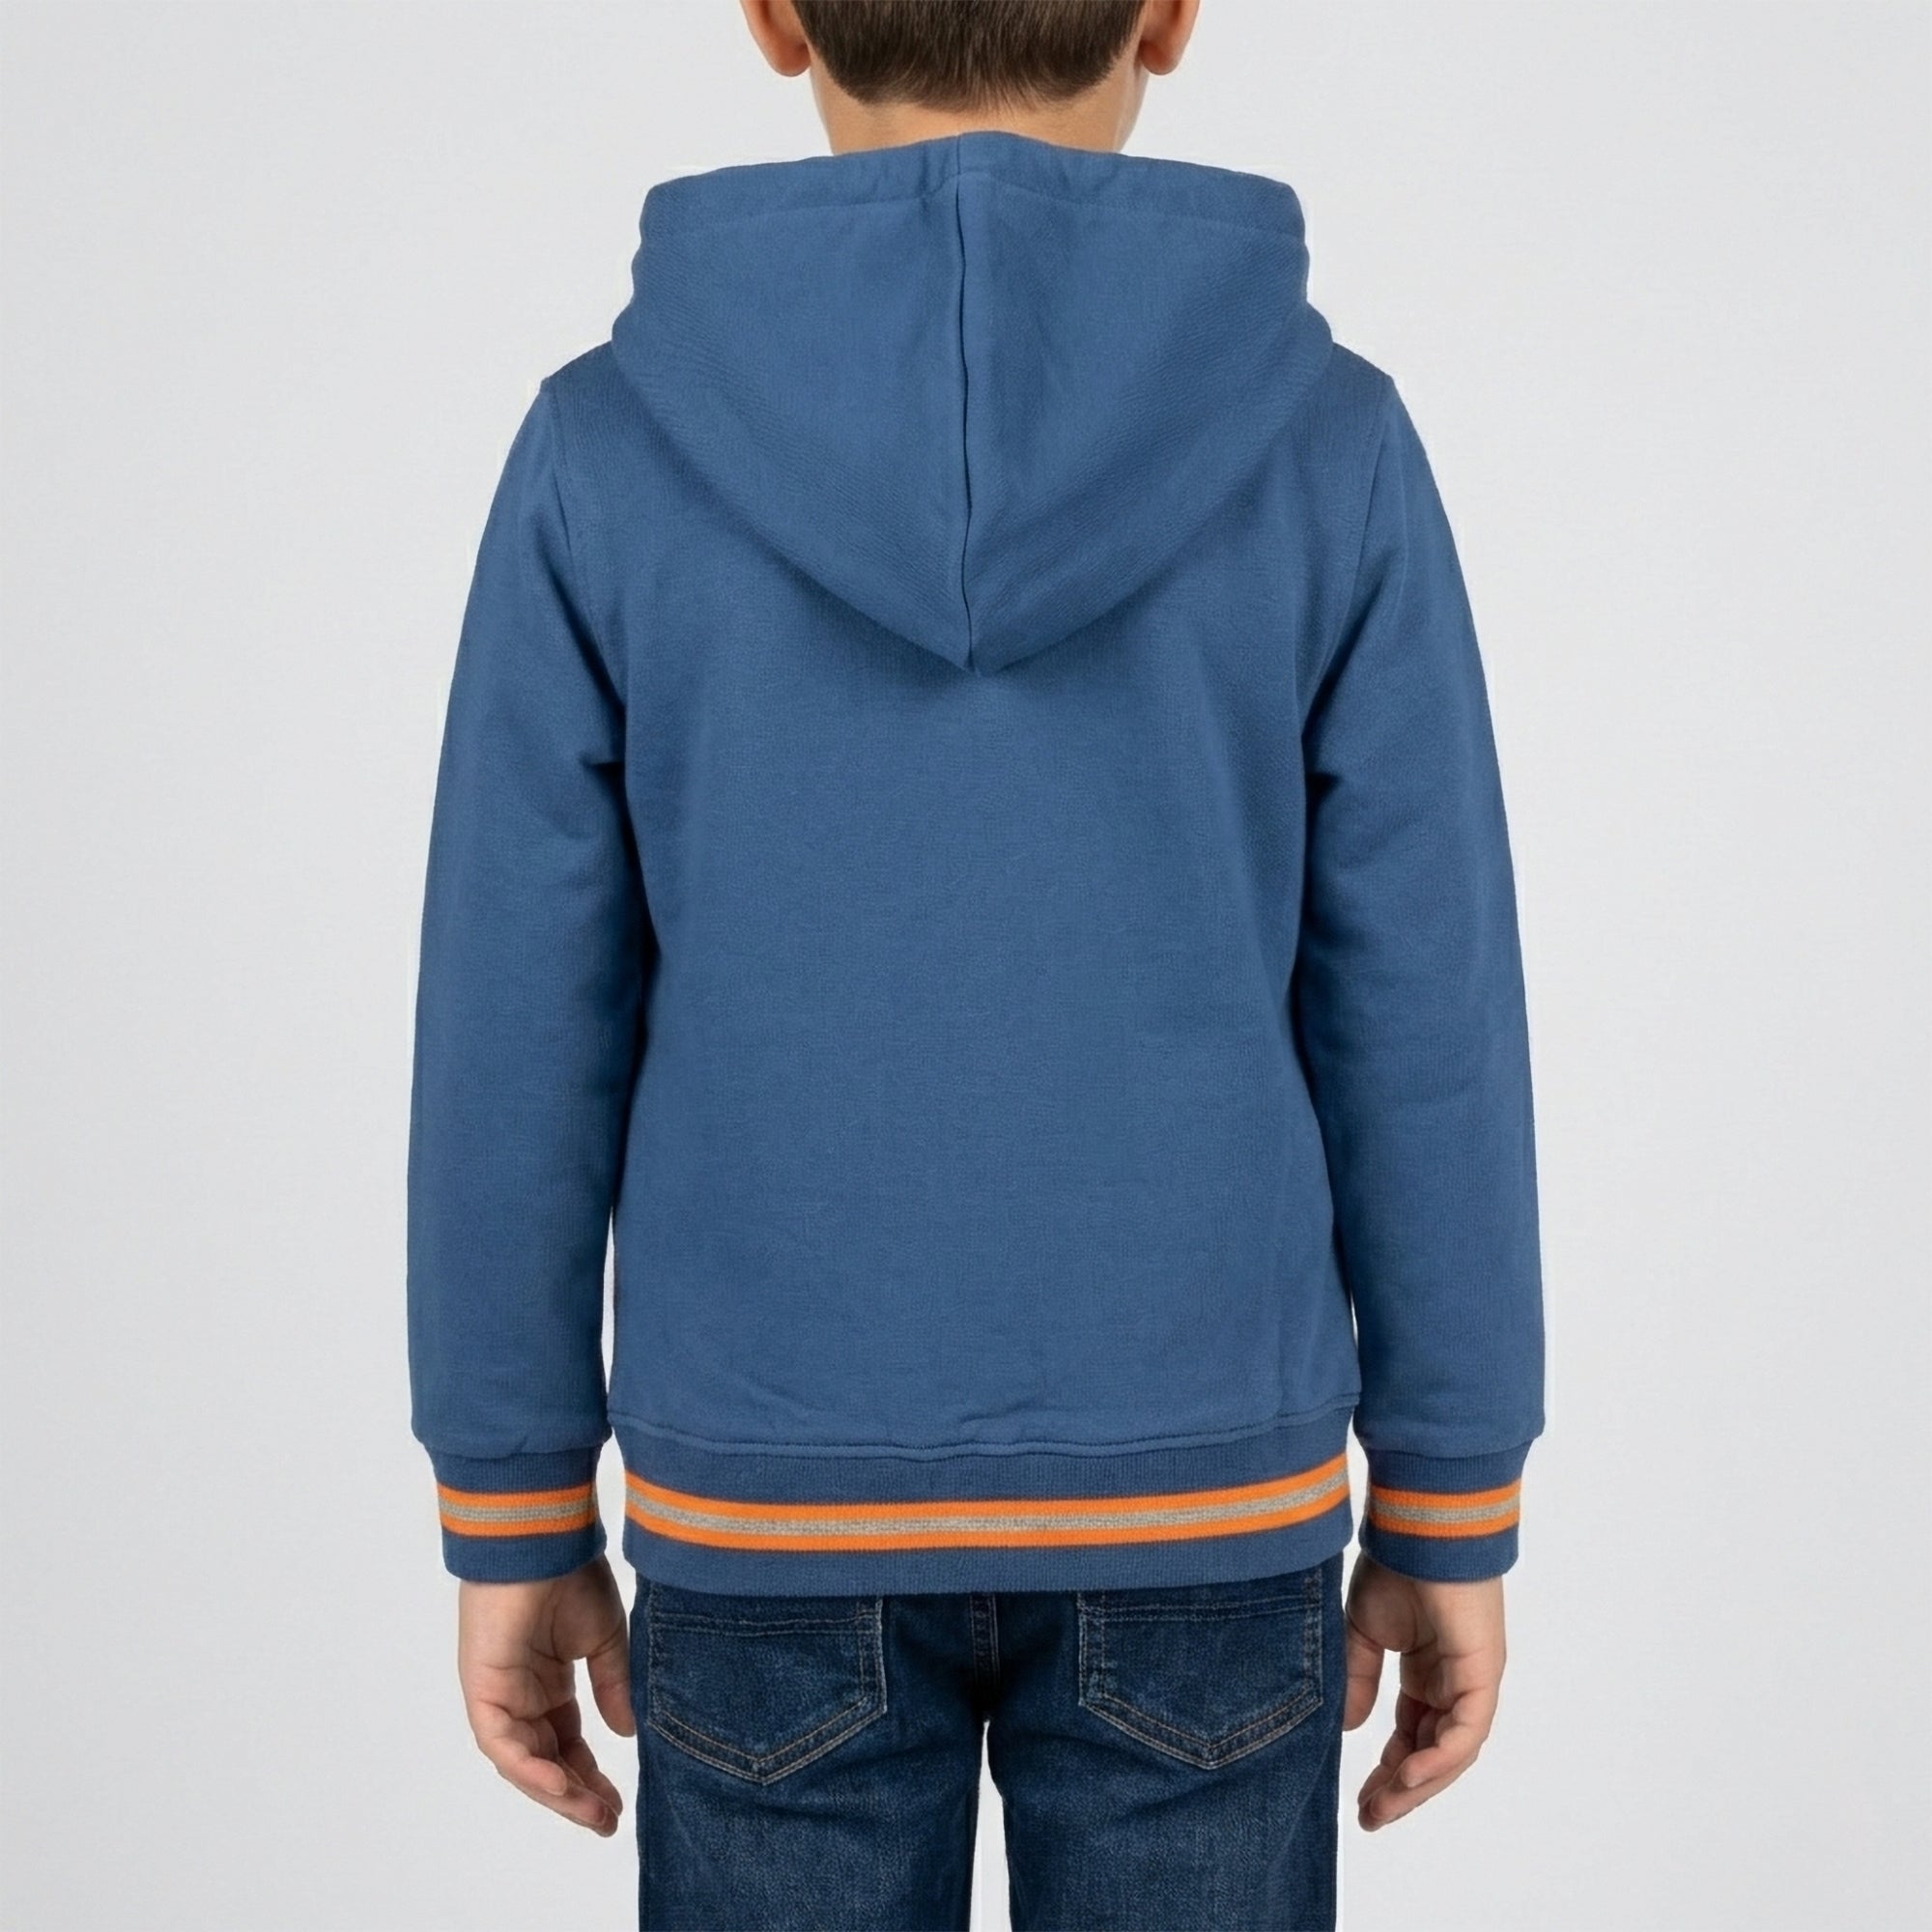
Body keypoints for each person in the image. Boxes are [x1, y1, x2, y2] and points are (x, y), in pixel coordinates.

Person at [405, 1, 1546, 1924]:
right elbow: (1424, 1009)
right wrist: (1450, 1489)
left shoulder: (607, 446)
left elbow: (513, 1022)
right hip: (1203, 1499)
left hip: (767, 1504)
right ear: (1168, 16)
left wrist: (512, 1500)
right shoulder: (1327, 439)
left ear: (775, 19)